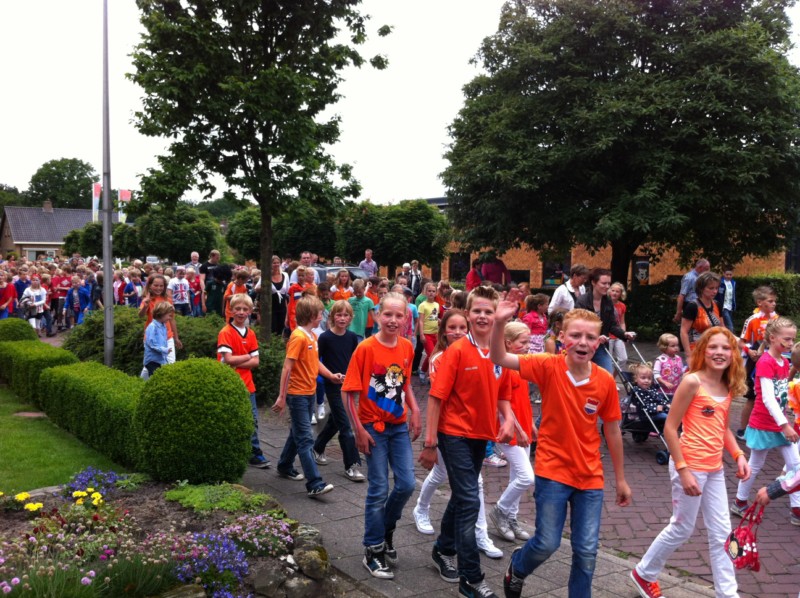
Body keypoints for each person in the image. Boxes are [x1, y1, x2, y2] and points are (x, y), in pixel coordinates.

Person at [491, 300, 631, 598]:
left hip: (590, 476)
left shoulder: (605, 381)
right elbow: (499, 356)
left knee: (587, 550)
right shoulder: (548, 365)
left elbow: (612, 430)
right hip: (552, 470)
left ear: (599, 342)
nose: (583, 342)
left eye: (590, 337)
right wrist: (500, 322)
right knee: (547, 543)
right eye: (576, 335)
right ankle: (519, 566)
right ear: (562, 337)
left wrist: (620, 479)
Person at [631, 327, 749, 598]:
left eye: (726, 348)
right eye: (713, 347)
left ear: (733, 354)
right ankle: (644, 573)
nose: (719, 352)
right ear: (702, 351)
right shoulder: (692, 382)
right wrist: (683, 470)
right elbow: (670, 428)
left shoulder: (727, 385)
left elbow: (723, 428)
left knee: (723, 532)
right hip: (690, 465)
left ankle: (727, 594)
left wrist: (739, 455)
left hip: (715, 468)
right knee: (682, 527)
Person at [419, 286, 516, 598]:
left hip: (481, 436)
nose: (483, 316)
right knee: (471, 501)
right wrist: (430, 443)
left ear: (496, 314)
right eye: (478, 311)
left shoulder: (500, 350)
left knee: (463, 497)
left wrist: (509, 419)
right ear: (468, 314)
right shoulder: (457, 351)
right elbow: (436, 397)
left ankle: (443, 548)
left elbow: (503, 393)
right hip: (453, 433)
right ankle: (471, 579)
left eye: (489, 311)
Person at [411, 309, 504, 560]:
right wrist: (430, 441)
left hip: (472, 432)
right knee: (470, 489)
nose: (458, 332)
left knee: (450, 480)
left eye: (462, 328)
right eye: (452, 328)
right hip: (448, 430)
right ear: (443, 332)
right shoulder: (441, 358)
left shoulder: (482, 351)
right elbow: (439, 395)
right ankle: (474, 538)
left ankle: (431, 522)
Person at [341, 292, 421, 579]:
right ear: (377, 315)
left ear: (406, 319)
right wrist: (358, 430)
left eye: (399, 315)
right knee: (378, 489)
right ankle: (373, 548)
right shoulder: (365, 349)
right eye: (388, 314)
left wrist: (415, 409)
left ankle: (385, 529)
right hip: (372, 429)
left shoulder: (407, 347)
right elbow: (348, 393)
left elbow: (405, 383)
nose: (393, 320)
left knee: (407, 484)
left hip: (398, 427)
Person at [731, 317, 800, 525]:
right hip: (764, 424)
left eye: (792, 339)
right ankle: (740, 501)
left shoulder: (784, 362)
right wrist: (785, 425)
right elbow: (768, 399)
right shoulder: (765, 362)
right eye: (786, 339)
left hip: (778, 423)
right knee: (756, 464)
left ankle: (796, 509)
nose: (790, 343)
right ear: (772, 338)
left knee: (795, 465)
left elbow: (782, 393)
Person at [272, 295, 341, 497]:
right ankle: (315, 483)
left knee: (297, 432)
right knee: (305, 439)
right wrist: (282, 396)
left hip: (309, 393)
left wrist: (330, 375)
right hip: (298, 395)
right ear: (311, 316)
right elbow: (287, 367)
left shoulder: (312, 336)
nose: (322, 317)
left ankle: (285, 465)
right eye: (320, 313)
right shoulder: (298, 337)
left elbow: (315, 362)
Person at [490, 322, 536, 544]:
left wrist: (531, 424)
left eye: (528, 341)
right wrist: (519, 429)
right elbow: (504, 403)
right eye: (523, 342)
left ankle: (511, 518)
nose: (527, 346)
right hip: (510, 431)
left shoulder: (520, 364)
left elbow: (523, 399)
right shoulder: (504, 367)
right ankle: (500, 510)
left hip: (523, 426)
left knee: (517, 476)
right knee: (526, 477)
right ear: (508, 343)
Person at [312, 300, 364, 482]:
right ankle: (352, 465)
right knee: (346, 426)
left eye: (346, 315)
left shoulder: (352, 337)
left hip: (348, 386)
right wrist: (330, 375)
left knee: (335, 421)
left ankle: (317, 447)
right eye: (339, 315)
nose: (342, 318)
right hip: (332, 386)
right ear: (332, 316)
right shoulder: (325, 338)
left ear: (351, 318)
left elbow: (354, 361)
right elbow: (315, 361)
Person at [217, 293, 270, 470]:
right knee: (231, 419)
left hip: (248, 385)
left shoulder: (251, 334)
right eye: (237, 309)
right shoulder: (226, 332)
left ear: (250, 312)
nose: (241, 312)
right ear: (231, 310)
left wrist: (237, 360)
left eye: (244, 309)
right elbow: (228, 359)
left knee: (252, 419)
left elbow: (256, 362)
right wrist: (247, 356)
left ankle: (254, 453)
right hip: (230, 384)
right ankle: (231, 451)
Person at [736, 285, 779, 440]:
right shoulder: (752, 320)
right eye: (770, 301)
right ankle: (742, 429)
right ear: (760, 302)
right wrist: (750, 351)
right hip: (755, 362)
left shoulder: (777, 319)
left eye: (774, 301)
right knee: (752, 397)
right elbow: (741, 342)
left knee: (772, 396)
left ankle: (768, 428)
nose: (774, 304)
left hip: (772, 360)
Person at [575, 268, 635, 373]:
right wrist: (594, 337)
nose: (607, 286)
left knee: (607, 374)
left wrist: (624, 334)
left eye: (608, 283)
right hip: (583, 346)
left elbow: (612, 325)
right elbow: (577, 326)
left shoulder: (608, 302)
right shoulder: (582, 301)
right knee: (584, 375)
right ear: (593, 282)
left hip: (601, 347)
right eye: (604, 283)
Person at [679, 271, 722, 363]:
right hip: (697, 350)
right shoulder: (692, 306)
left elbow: (723, 328)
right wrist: (688, 355)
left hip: (715, 350)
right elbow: (684, 331)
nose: (715, 291)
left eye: (716, 288)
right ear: (701, 288)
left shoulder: (717, 304)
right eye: (711, 288)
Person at [628, 362, 670, 430]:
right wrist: (655, 408)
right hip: (648, 414)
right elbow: (642, 406)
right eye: (643, 378)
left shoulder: (651, 389)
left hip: (659, 411)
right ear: (636, 379)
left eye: (649, 378)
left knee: (675, 413)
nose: (647, 381)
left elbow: (659, 399)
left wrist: (666, 404)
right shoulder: (637, 391)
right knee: (667, 417)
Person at [673, 258, 710, 324]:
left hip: (700, 306)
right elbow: (682, 295)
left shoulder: (701, 278)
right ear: (700, 267)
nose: (708, 271)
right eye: (706, 269)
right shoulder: (689, 278)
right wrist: (678, 312)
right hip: (690, 306)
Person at [143, 301, 174, 377]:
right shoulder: (152, 327)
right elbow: (152, 344)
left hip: (160, 360)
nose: (170, 318)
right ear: (162, 314)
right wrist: (164, 350)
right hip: (152, 360)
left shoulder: (163, 326)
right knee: (155, 378)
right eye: (169, 315)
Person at [417, 282, 440, 383]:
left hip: (435, 333)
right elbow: (421, 321)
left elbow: (435, 318)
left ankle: (423, 370)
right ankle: (431, 375)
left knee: (434, 354)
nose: (431, 293)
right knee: (432, 355)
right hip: (426, 333)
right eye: (429, 291)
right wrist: (421, 334)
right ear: (425, 292)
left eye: (433, 291)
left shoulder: (437, 305)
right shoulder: (422, 305)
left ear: (436, 293)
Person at [607, 282, 628, 365]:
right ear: (609, 291)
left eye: (617, 291)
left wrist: (624, 334)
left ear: (621, 294)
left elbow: (622, 322)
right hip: (608, 336)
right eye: (613, 290)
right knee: (608, 360)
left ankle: (614, 373)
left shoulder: (622, 306)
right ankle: (608, 373)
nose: (614, 293)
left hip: (618, 335)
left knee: (623, 359)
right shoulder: (604, 303)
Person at [715, 267, 737, 332]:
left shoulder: (733, 283)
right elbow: (717, 295)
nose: (729, 276)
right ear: (723, 274)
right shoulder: (720, 283)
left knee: (725, 324)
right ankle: (731, 336)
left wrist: (734, 305)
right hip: (723, 307)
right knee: (730, 326)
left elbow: (733, 295)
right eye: (727, 274)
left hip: (730, 306)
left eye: (730, 275)